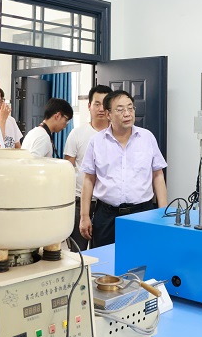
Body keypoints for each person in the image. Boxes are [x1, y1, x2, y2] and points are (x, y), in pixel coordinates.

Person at [79, 90, 167, 248]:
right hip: (106, 215)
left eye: (130, 108)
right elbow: (88, 179)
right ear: (108, 114)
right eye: (120, 110)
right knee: (104, 260)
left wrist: (163, 212)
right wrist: (84, 216)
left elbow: (158, 175)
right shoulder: (97, 141)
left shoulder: (147, 138)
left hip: (142, 214)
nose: (127, 113)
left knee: (143, 257)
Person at [64, 84, 112, 250]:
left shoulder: (117, 134)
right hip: (79, 200)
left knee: (103, 250)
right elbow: (67, 168)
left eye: (105, 104)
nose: (101, 109)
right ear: (89, 106)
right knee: (78, 251)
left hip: (106, 204)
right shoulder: (77, 134)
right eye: (97, 104)